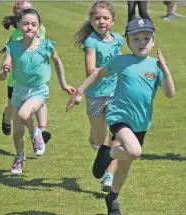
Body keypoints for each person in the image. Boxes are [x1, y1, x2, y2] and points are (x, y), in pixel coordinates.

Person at [66, 18, 175, 214]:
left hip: (141, 123)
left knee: (124, 168)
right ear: (128, 41)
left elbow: (169, 93)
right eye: (136, 39)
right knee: (134, 151)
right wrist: (80, 91)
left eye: (146, 38)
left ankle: (113, 198)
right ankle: (108, 153)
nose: (141, 42)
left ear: (152, 40)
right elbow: (98, 73)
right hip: (119, 117)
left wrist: (166, 72)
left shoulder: (155, 65)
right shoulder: (121, 61)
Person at [0, 8, 75, 174]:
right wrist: (4, 72)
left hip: (39, 91)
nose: (29, 27)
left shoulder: (46, 45)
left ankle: (35, 134)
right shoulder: (12, 46)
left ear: (39, 28)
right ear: (18, 26)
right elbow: (2, 76)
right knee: (17, 133)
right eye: (25, 24)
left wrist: (63, 84)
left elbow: (57, 62)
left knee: (24, 115)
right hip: (19, 91)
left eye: (34, 24)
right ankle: (19, 158)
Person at [73, 1, 124, 192]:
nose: (101, 21)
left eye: (105, 18)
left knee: (116, 135)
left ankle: (109, 176)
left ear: (113, 21)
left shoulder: (119, 39)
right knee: (100, 142)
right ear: (92, 21)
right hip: (95, 94)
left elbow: (120, 58)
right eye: (97, 18)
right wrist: (112, 68)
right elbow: (90, 69)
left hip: (115, 92)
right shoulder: (91, 42)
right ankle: (94, 136)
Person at [0, 1, 51, 144]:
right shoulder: (16, 37)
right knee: (12, 107)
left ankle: (42, 130)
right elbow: (10, 55)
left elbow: (40, 44)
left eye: (31, 10)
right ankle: (6, 117)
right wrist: (5, 68)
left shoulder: (41, 28)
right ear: (18, 17)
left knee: (40, 100)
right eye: (23, 12)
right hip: (16, 80)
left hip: (34, 77)